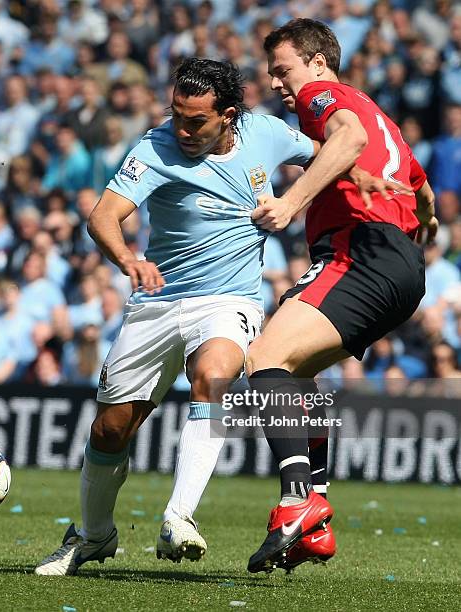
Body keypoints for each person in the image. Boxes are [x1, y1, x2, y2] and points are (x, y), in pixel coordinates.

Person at [34, 57, 393, 577]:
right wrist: (129, 259)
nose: (181, 129)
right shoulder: (154, 147)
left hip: (230, 300)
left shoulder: (266, 133)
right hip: (156, 301)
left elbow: (323, 153)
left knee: (215, 377)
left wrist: (359, 173)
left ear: (228, 116)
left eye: (195, 121)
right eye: (176, 115)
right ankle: (93, 536)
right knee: (112, 430)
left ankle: (179, 516)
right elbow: (103, 215)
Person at [244, 18, 437, 575]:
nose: (280, 83)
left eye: (284, 69)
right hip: (401, 265)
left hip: (362, 251)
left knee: (264, 360)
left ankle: (300, 501)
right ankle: (316, 523)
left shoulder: (322, 95)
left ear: (318, 62)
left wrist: (292, 201)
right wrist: (424, 222)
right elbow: (423, 192)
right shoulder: (387, 123)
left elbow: (346, 137)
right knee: (300, 378)